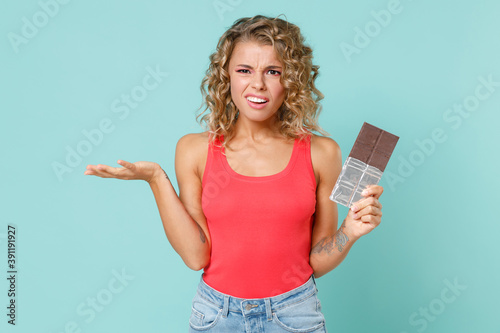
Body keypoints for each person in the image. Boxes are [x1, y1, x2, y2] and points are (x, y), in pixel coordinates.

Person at [84, 14, 384, 333]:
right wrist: (156, 179)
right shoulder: (194, 150)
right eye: (244, 70)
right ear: (226, 75)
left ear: (291, 79)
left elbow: (315, 262)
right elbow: (196, 256)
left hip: (294, 314)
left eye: (273, 71)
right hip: (216, 315)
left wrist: (349, 231)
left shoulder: (322, 153)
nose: (257, 84)